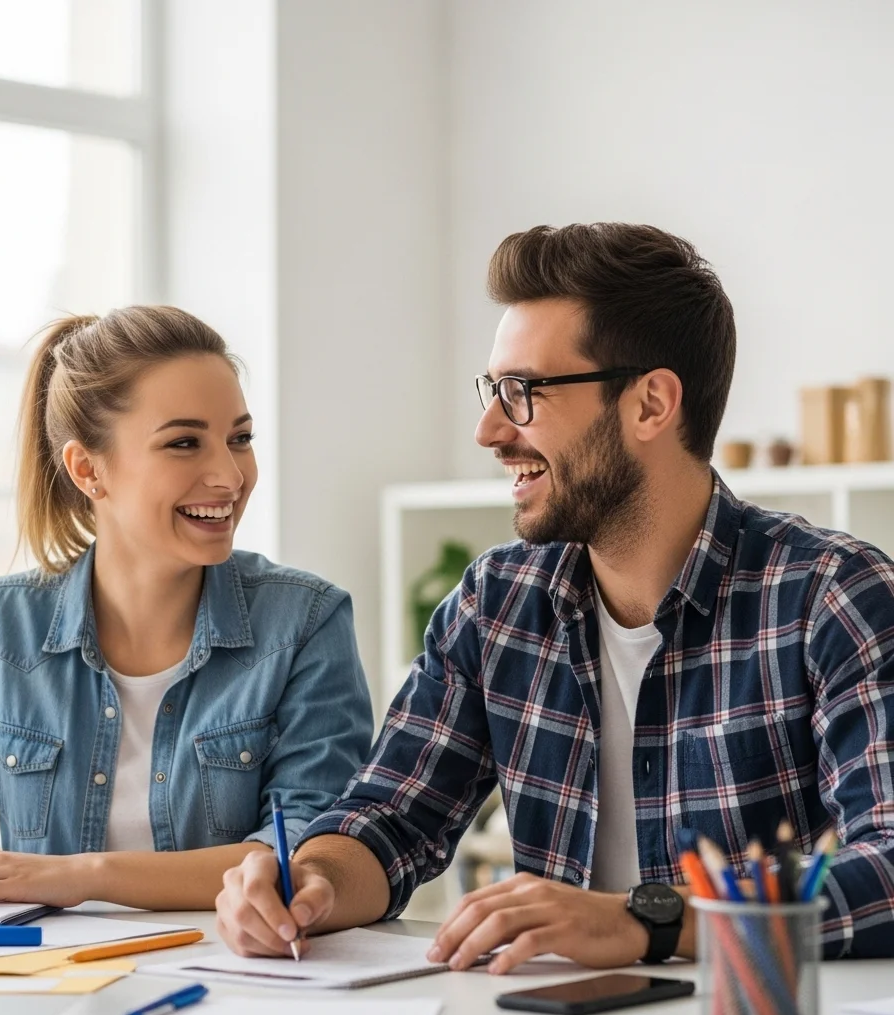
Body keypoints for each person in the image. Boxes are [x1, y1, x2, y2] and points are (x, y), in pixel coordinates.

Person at [215, 223, 894, 969]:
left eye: (523, 392)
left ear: (650, 405)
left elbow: (888, 864)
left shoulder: (832, 597)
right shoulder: (496, 603)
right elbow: (390, 819)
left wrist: (650, 922)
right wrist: (307, 881)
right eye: (493, 390)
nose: (488, 430)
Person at [0, 305, 373, 911]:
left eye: (239, 439)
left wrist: (86, 875)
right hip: (47, 982)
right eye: (184, 443)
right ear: (88, 470)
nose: (229, 475)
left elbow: (308, 852)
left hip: (232, 980)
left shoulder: (304, 622)